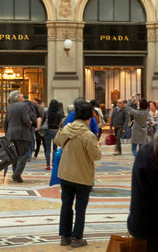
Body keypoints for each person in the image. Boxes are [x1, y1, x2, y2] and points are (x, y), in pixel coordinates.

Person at [56, 101, 102, 248]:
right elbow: (95, 156)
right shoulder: (88, 135)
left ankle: (65, 237)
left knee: (66, 205)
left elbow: (58, 141)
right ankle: (77, 238)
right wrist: (98, 148)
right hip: (82, 176)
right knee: (80, 208)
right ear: (89, 117)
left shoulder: (67, 128)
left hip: (65, 173)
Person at [4, 92, 41, 183]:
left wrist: (7, 133)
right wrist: (30, 123)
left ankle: (16, 174)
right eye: (21, 95)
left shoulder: (9, 107)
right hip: (22, 134)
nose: (22, 97)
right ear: (17, 98)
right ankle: (16, 174)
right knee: (23, 155)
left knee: (14, 155)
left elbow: (6, 122)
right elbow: (25, 119)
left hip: (11, 134)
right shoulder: (23, 106)